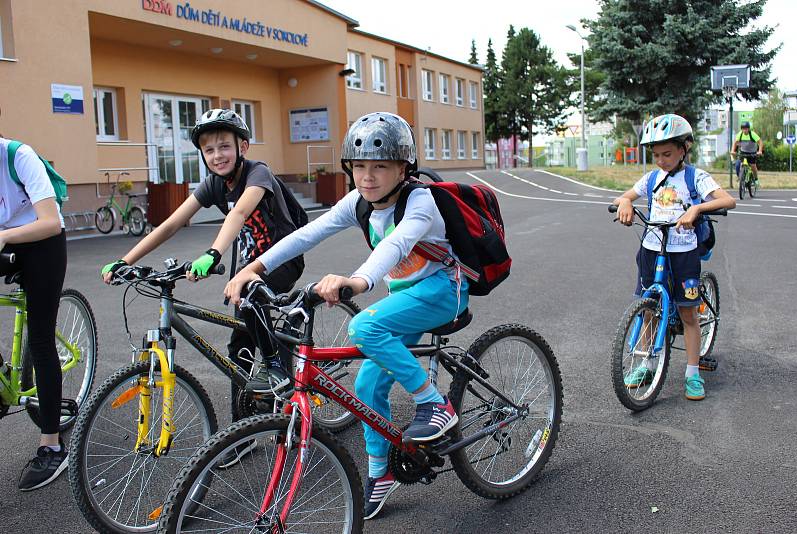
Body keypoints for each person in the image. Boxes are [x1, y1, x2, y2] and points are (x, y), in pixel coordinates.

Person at [224, 112, 468, 520]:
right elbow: (307, 234)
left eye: (380, 167)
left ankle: (434, 404)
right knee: (368, 385)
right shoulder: (360, 201)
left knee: (364, 325)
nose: (367, 177)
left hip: (445, 291)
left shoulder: (420, 201)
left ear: (403, 168)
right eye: (359, 167)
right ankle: (381, 471)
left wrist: (357, 281)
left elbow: (395, 245)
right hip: (405, 296)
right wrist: (254, 269)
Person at [100, 109, 304, 465]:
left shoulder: (259, 173)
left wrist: (212, 254)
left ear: (243, 146)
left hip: (282, 254)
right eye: (209, 151)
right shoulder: (213, 183)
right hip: (248, 256)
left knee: (250, 299)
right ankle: (242, 435)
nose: (217, 156)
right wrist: (126, 260)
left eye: (224, 146)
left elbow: (239, 214)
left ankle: (277, 366)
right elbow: (171, 224)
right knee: (239, 339)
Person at [613, 114, 736, 401]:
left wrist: (697, 210)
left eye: (667, 153)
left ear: (684, 149)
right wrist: (626, 203)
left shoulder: (696, 177)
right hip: (652, 249)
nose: (661, 160)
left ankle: (693, 373)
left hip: (683, 253)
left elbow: (727, 200)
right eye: (656, 154)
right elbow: (623, 197)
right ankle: (647, 364)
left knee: (688, 313)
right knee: (648, 309)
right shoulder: (652, 178)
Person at [0, 135, 68, 490]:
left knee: (40, 339)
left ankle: (52, 445)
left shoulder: (18, 155)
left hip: (43, 243)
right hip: (6, 242)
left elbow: (50, 222)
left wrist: (2, 235)